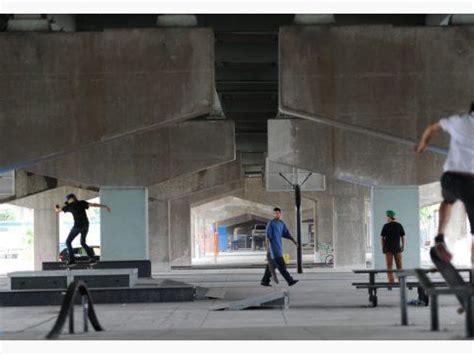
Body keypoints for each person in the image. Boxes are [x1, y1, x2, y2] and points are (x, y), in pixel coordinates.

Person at [415, 102, 474, 264]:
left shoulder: (459, 120)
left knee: (448, 200)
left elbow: (433, 127)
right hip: (470, 183)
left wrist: (423, 144)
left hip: (449, 178)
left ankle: (440, 237)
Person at [55, 193, 111, 266]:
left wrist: (56, 207)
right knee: (83, 242)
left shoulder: (69, 206)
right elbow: (93, 205)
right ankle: (92, 259)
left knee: (68, 242)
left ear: (70, 200)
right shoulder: (82, 203)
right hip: (86, 225)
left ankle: (72, 261)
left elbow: (58, 210)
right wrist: (105, 206)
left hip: (78, 226)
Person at [261, 207, 299, 287]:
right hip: (274, 250)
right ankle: (290, 281)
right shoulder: (271, 223)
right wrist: (267, 250)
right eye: (275, 213)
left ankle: (265, 281)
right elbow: (267, 237)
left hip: (279, 248)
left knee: (271, 266)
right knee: (282, 266)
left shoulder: (281, 223)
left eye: (277, 213)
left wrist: (295, 242)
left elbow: (287, 234)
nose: (276, 214)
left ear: (280, 214)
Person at [380, 210, 405, 283]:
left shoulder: (385, 226)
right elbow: (403, 237)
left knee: (389, 266)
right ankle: (400, 280)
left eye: (387, 217)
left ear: (389, 217)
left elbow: (382, 238)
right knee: (399, 265)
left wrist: (383, 247)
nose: (386, 218)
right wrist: (403, 246)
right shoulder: (399, 225)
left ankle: (391, 281)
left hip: (388, 249)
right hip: (397, 248)